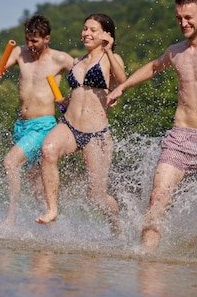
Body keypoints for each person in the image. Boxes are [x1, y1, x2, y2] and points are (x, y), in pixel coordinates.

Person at [107, 0, 197, 252]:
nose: (183, 23)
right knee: (157, 198)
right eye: (179, 18)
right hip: (181, 137)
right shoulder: (176, 52)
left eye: (189, 17)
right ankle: (147, 263)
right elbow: (153, 67)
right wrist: (122, 88)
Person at [35, 13, 127, 236]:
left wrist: (109, 50)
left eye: (92, 30)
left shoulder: (111, 59)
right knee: (47, 151)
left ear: (106, 34)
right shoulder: (77, 62)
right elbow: (79, 94)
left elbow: (123, 81)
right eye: (85, 28)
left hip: (96, 133)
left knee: (96, 197)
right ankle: (52, 209)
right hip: (69, 126)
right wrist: (64, 101)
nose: (86, 33)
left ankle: (117, 224)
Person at [0, 14, 73, 227]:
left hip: (44, 125)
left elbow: (83, 77)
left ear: (47, 39)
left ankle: (10, 219)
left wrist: (70, 100)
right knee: (36, 184)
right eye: (28, 39)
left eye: (35, 40)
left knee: (10, 163)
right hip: (22, 126)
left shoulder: (60, 59)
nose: (30, 44)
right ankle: (54, 229)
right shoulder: (20, 52)